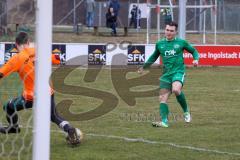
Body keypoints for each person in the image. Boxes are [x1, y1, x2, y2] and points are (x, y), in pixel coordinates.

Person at [0, 32, 82, 146]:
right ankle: (69, 129)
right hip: (48, 92)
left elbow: (1, 73)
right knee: (54, 116)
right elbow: (57, 58)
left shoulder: (17, 59)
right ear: (28, 42)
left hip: (30, 97)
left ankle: (14, 127)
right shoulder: (38, 51)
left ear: (16, 44)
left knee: (8, 106)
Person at [138, 22, 199, 128]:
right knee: (162, 98)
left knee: (176, 89)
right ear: (164, 30)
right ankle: (164, 122)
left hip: (178, 72)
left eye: (171, 31)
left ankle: (186, 111)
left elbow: (194, 51)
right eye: (167, 30)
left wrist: (196, 59)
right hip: (166, 75)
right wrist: (144, 67)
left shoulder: (181, 42)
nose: (169, 32)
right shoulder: (160, 44)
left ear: (175, 32)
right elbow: (153, 56)